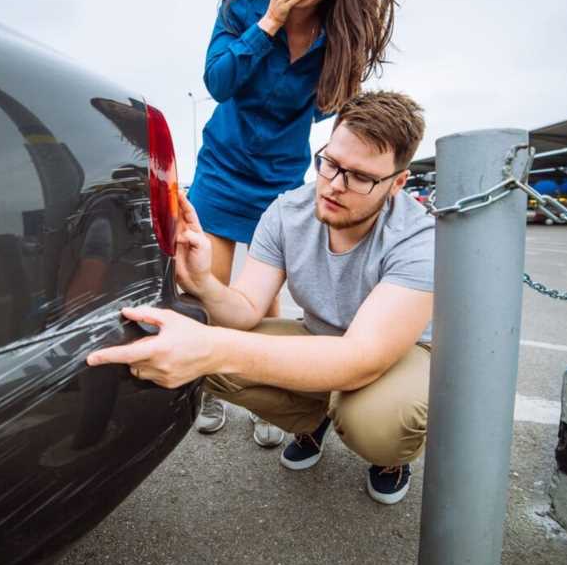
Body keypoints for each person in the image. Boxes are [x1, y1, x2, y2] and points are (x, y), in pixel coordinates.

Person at [88, 91, 432, 504]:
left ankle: (389, 458)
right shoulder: (288, 210)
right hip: (321, 338)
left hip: (397, 354)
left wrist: (213, 348)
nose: (335, 186)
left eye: (360, 177)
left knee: (377, 422)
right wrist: (202, 282)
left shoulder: (418, 236)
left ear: (397, 183)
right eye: (331, 164)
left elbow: (361, 359)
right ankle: (313, 420)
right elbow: (246, 312)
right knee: (208, 350)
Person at [188, 0, 397, 445]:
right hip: (222, 167)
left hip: (279, 179)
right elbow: (219, 82)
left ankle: (266, 390)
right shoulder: (240, 6)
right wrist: (271, 22)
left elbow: (327, 106)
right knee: (211, 289)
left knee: (263, 300)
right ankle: (209, 390)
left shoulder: (337, 37)